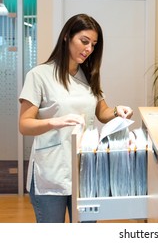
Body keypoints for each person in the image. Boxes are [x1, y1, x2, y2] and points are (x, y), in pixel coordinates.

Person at [18, 13, 134, 223]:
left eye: (94, 44)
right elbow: (25, 125)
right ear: (66, 37)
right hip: (50, 170)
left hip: (85, 169)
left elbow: (102, 112)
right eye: (84, 41)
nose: (89, 49)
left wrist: (118, 110)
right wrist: (55, 121)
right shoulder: (39, 75)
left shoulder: (89, 75)